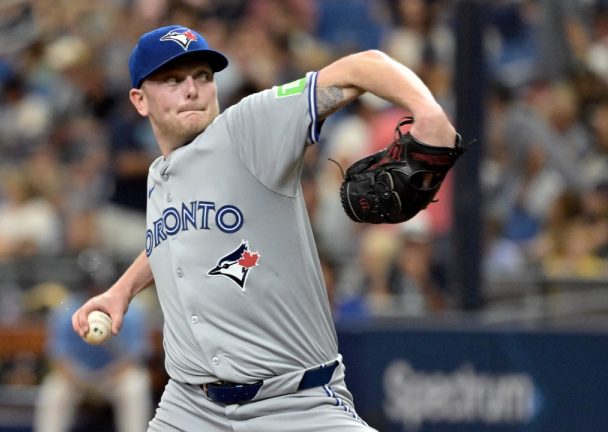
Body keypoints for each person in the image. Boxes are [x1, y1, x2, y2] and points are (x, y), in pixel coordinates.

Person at [72, 24, 457, 431]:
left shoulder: (248, 130)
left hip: (293, 404)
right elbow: (175, 238)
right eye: (172, 79)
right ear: (139, 100)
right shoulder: (160, 174)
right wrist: (121, 291)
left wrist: (427, 111)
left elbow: (363, 67)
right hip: (189, 408)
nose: (192, 89)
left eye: (202, 76)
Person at [35, 287, 153, 432]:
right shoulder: (66, 310)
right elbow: (57, 358)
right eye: (93, 286)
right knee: (54, 391)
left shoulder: (132, 312)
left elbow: (135, 358)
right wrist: (81, 380)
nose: (97, 290)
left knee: (135, 386)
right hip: (76, 377)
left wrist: (108, 379)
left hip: (115, 377)